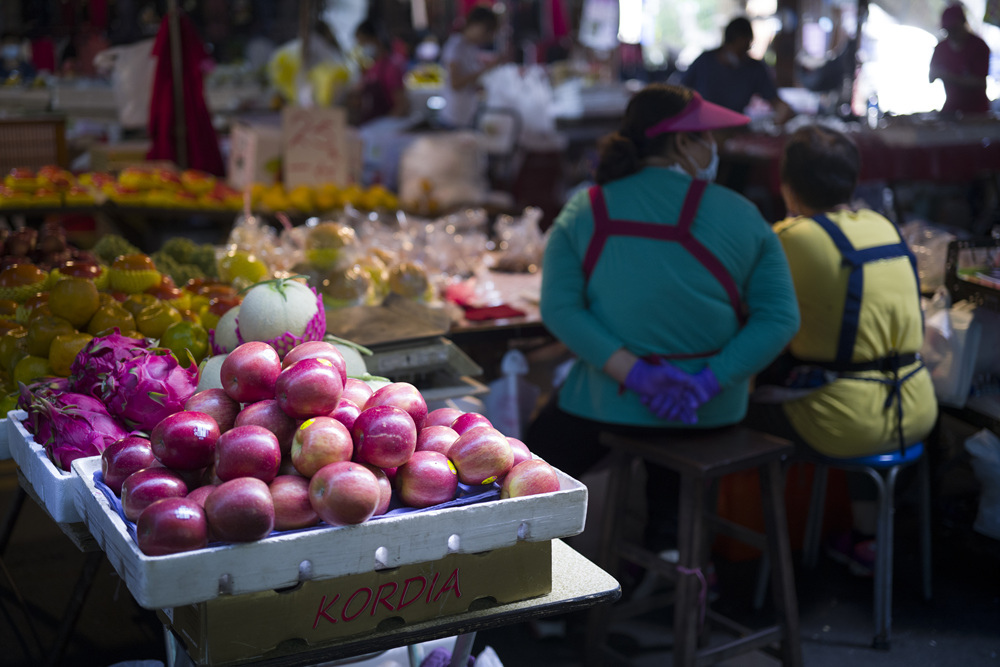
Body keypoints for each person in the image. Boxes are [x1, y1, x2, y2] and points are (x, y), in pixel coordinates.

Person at [525, 83, 800, 552]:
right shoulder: (742, 213)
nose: (715, 149)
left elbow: (560, 309)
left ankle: (539, 591)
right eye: (708, 138)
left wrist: (638, 377)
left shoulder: (586, 208)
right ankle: (668, 554)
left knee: (533, 459)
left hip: (606, 403)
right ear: (681, 142)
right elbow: (779, 318)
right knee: (675, 462)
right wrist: (705, 383)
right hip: (708, 412)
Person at [746, 125, 938, 573]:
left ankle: (724, 557)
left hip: (844, 421)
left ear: (786, 186)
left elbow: (747, 312)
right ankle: (866, 539)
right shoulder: (883, 225)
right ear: (852, 183)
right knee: (852, 379)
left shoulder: (789, 238)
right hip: (916, 407)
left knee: (725, 409)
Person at [681, 17, 793, 123]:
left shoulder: (753, 68)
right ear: (728, 43)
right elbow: (682, 91)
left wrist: (784, 111)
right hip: (703, 125)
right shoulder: (705, 62)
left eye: (746, 48)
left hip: (735, 126)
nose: (741, 55)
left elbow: (774, 99)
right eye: (739, 49)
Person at [438, 5, 501, 128]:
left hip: (465, 116)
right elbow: (455, 83)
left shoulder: (471, 47)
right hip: (452, 117)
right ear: (476, 24)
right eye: (487, 31)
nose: (487, 37)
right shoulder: (455, 46)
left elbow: (469, 81)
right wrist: (486, 69)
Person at [929, 3, 991, 116]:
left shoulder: (979, 46)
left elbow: (980, 82)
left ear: (963, 22)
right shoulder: (941, 48)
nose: (952, 34)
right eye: (948, 30)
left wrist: (949, 76)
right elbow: (931, 77)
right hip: (951, 109)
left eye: (954, 29)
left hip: (977, 112)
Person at [350, 19, 409, 125]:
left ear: (376, 39)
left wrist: (384, 126)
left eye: (363, 42)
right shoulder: (370, 67)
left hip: (382, 132)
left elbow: (402, 106)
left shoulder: (391, 68)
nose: (362, 47)